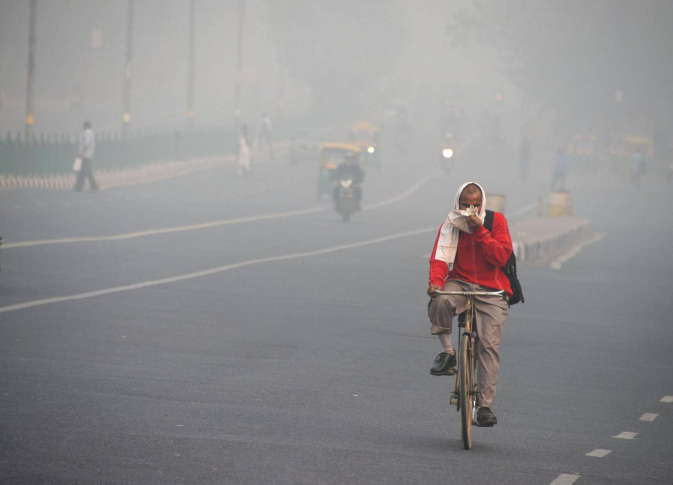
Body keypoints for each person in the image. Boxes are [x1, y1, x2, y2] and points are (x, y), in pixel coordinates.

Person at [427, 182, 512, 427]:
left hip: (492, 289)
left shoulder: (495, 222)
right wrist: (434, 282)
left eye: (475, 205)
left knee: (488, 345)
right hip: (461, 284)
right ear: (458, 203)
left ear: (482, 203)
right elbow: (440, 258)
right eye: (465, 205)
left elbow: (500, 256)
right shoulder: (451, 223)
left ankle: (484, 407)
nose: (470, 210)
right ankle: (448, 352)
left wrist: (480, 231)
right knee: (440, 299)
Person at [74, 121, 98, 191]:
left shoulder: (87, 133)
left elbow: (86, 144)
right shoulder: (91, 133)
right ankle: (79, 187)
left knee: (85, 171)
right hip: (88, 155)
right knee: (82, 171)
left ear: (84, 126)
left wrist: (82, 153)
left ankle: (92, 186)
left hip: (84, 155)